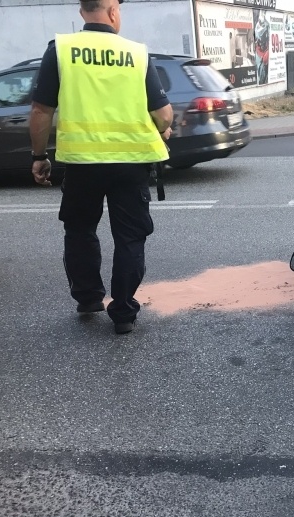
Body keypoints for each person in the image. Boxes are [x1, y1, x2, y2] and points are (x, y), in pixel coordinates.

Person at [29, 0, 173, 334]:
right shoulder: (136, 53)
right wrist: (163, 127)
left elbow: (40, 110)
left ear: (83, 13)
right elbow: (163, 114)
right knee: (130, 238)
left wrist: (39, 156)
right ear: (112, 12)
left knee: (79, 230)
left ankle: (88, 297)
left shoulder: (61, 49)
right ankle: (123, 313)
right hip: (129, 164)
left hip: (82, 164)